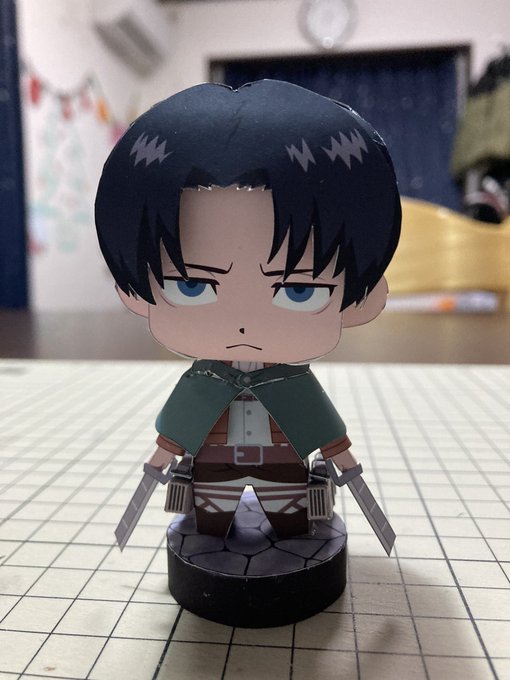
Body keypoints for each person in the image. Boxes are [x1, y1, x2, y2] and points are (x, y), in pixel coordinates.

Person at [95, 80, 401, 539]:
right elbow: (176, 429)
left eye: (300, 290)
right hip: (213, 468)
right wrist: (159, 462)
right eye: (192, 285)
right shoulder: (206, 380)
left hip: (284, 467)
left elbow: (324, 429)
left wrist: (345, 462)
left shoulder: (290, 382)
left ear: (363, 299)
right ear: (135, 292)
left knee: (292, 529)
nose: (242, 325)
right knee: (208, 530)